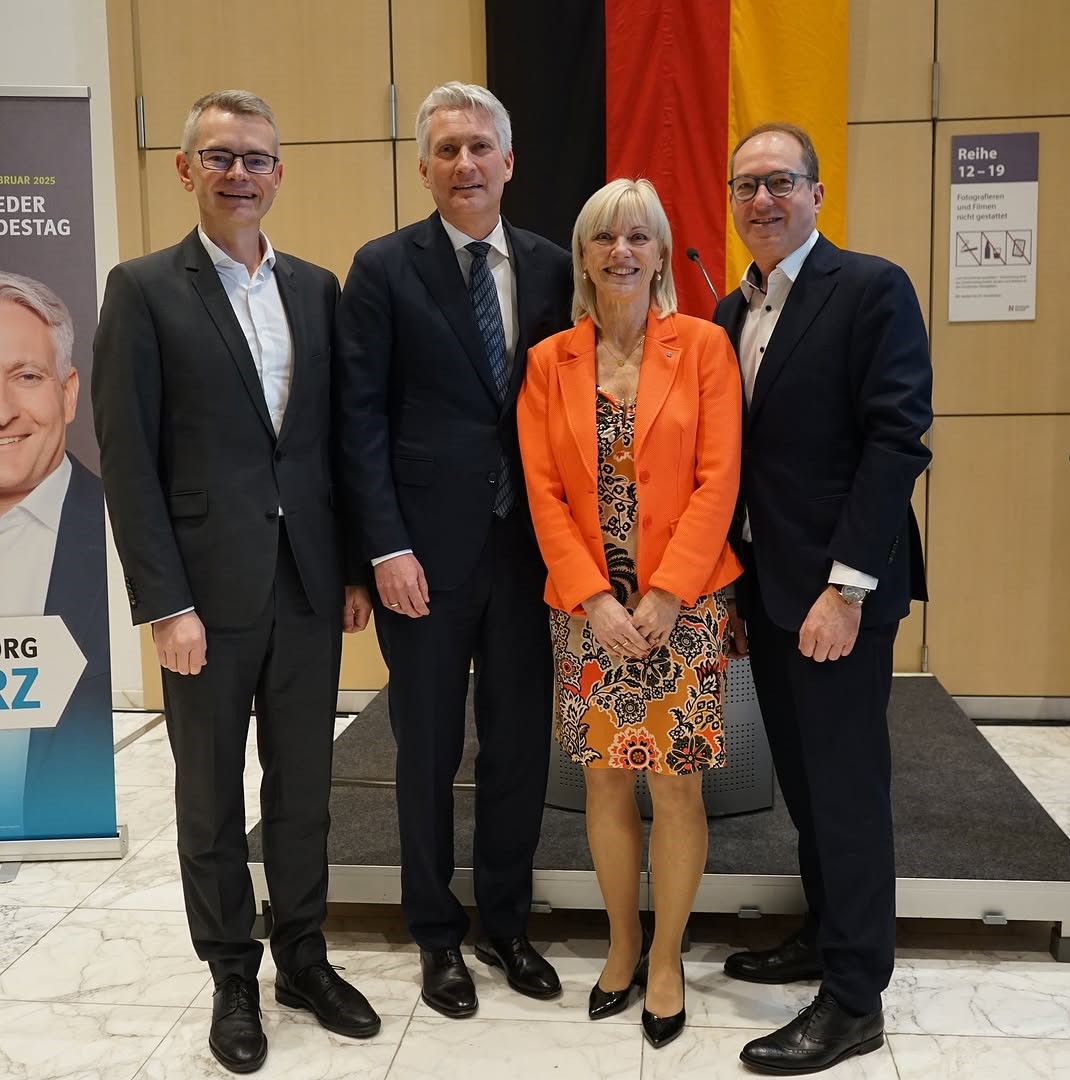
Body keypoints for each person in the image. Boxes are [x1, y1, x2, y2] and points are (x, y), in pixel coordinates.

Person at [92, 90, 380, 1074]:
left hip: (306, 589)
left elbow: (333, 446)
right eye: (219, 157)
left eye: (256, 158)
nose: (239, 174)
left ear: (278, 173)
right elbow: (129, 463)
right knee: (211, 795)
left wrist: (350, 569)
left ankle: (303, 956)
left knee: (303, 789)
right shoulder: (142, 290)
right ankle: (231, 973)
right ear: (186, 170)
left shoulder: (315, 288)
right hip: (203, 601)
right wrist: (164, 605)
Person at [334, 82, 572, 1019]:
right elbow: (357, 421)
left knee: (518, 747)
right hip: (421, 561)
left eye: (479, 147)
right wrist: (382, 548)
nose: (464, 163)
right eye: (446, 150)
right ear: (423, 168)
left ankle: (505, 922)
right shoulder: (383, 267)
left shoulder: (557, 267)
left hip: (533, 555)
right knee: (427, 748)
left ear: (509, 162)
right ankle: (436, 933)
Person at [714, 123, 933, 1074]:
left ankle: (853, 1000)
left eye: (780, 182)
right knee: (804, 786)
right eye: (745, 186)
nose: (762, 200)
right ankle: (825, 931)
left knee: (846, 794)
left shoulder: (872, 288)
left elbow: (897, 441)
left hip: (839, 595)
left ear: (816, 192)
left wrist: (846, 589)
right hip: (768, 592)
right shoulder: (730, 309)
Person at [517, 178, 743, 1049]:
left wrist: (668, 592)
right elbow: (543, 494)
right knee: (605, 781)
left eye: (639, 236)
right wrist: (595, 598)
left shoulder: (705, 347)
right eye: (604, 237)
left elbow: (719, 480)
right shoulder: (550, 361)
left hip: (683, 608)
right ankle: (621, 945)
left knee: (677, 784)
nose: (621, 252)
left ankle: (668, 958)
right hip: (587, 614)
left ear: (660, 253)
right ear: (582, 255)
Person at [0, 272, 111, 843]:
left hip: (67, 823)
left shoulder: (123, 534)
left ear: (68, 394)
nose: (3, 412)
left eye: (25, 377)